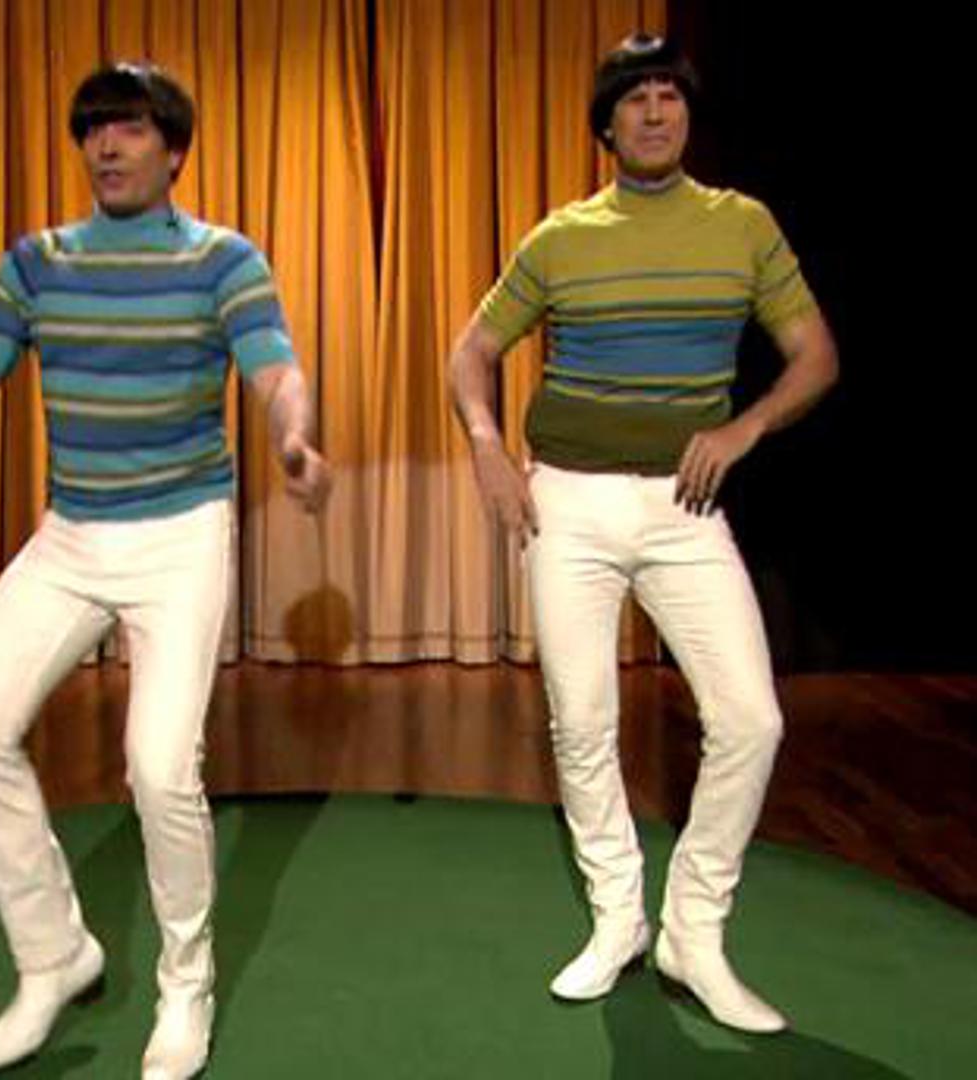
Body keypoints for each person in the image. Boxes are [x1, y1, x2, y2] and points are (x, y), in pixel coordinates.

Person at [0, 63, 330, 1078]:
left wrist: (294, 440)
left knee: (160, 768)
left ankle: (186, 986)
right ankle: (53, 957)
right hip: (72, 535)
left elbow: (276, 371)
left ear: (173, 150)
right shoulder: (37, 262)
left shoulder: (223, 259)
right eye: (93, 129)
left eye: (128, 128)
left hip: (180, 536)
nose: (106, 145)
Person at [448, 34, 838, 1033]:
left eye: (669, 94)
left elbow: (814, 356)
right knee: (581, 722)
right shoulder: (561, 236)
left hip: (684, 508)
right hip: (567, 504)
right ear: (607, 126)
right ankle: (617, 917)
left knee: (750, 719)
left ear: (687, 114)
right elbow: (471, 353)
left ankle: (692, 934)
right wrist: (487, 447)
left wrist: (745, 427)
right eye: (636, 99)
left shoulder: (741, 225)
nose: (656, 112)